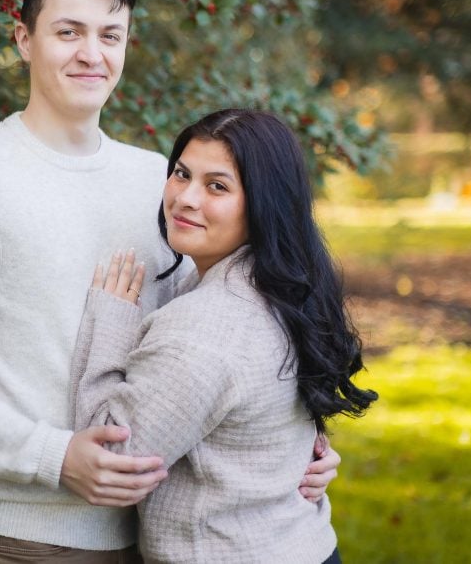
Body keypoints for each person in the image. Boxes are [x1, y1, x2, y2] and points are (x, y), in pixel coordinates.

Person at [0, 0, 341, 561]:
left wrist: (285, 448)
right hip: (24, 536)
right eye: (67, 32)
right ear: (25, 39)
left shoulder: (155, 177)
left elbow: (215, 338)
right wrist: (52, 457)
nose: (90, 53)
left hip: (154, 530)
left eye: (110, 35)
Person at [72, 108, 378, 563]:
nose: (185, 198)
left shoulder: (207, 327)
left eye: (217, 186)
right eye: (181, 174)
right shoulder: (285, 286)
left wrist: (112, 319)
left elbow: (114, 458)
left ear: (263, 204)